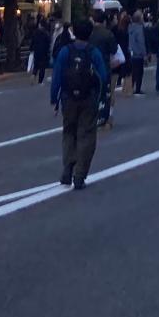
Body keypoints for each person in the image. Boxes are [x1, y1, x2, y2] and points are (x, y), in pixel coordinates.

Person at [49, 17, 108, 190]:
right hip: (88, 98)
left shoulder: (65, 51)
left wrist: (54, 98)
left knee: (69, 132)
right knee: (87, 134)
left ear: (74, 31)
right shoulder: (93, 52)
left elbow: (57, 76)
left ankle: (68, 167)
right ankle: (80, 174)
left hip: (68, 97)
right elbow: (103, 77)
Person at [29, 17, 53, 84]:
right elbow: (49, 43)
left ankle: (33, 75)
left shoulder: (35, 32)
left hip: (36, 51)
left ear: (40, 24)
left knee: (36, 65)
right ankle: (40, 81)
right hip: (44, 52)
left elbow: (32, 42)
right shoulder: (46, 33)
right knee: (42, 67)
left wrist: (31, 49)